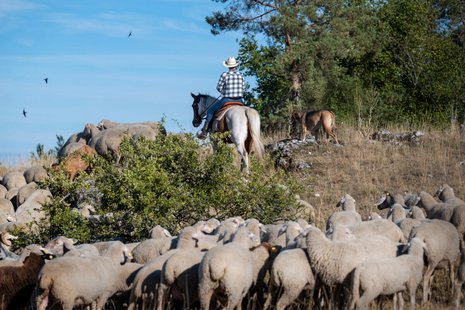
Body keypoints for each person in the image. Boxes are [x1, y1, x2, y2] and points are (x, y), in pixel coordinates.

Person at [197, 56, 246, 139]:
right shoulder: (240, 75)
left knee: (210, 110)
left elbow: (218, 87)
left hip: (227, 100)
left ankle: (205, 130)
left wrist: (224, 91)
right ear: (235, 66)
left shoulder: (225, 74)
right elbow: (244, 88)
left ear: (228, 66)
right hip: (240, 101)